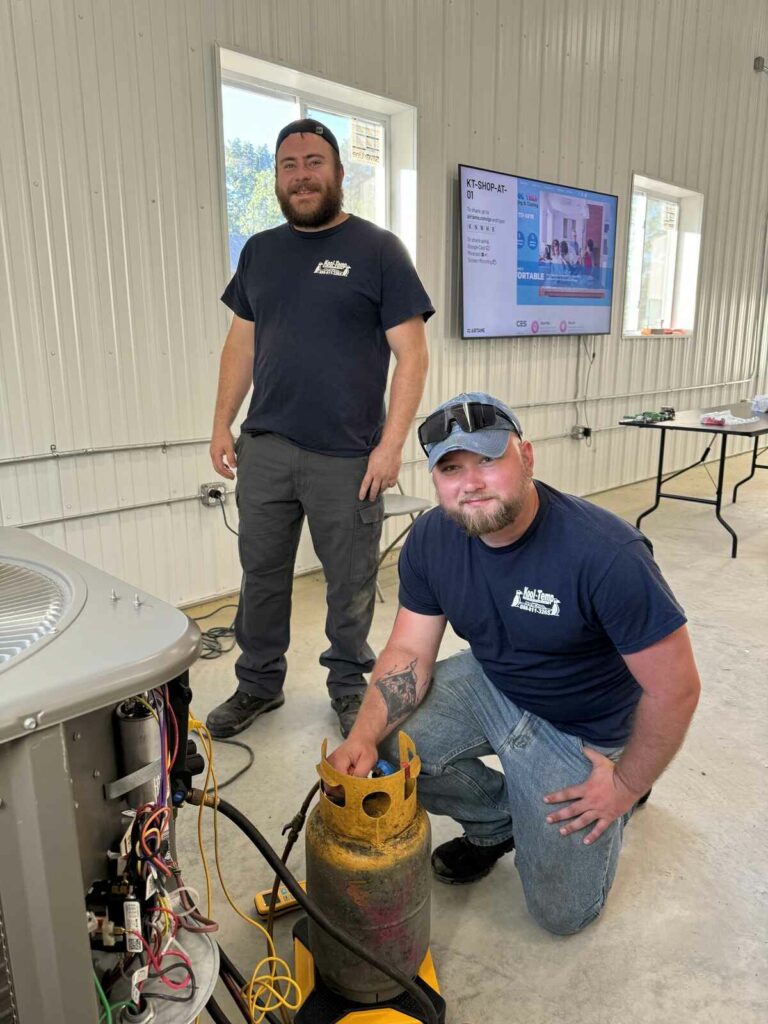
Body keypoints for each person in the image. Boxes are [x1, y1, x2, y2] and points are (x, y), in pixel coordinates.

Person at [329, 392, 700, 935]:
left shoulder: (605, 553)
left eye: (488, 460)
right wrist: (361, 735)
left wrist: (621, 784)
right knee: (388, 746)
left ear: (526, 458)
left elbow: (676, 690)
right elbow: (409, 651)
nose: (471, 482)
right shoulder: (433, 537)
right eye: (452, 468)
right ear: (435, 479)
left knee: (562, 915)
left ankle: (628, 791)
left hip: (584, 730)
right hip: (496, 684)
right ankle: (495, 822)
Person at [207, 118, 434, 740]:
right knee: (261, 574)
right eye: (288, 165)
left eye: (313, 162)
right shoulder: (260, 251)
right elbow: (241, 343)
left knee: (350, 581)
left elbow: (412, 356)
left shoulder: (379, 250)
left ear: (336, 171)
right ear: (277, 178)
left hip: (348, 457)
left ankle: (349, 684)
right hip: (267, 447)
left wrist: (390, 447)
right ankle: (257, 682)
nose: (301, 175)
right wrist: (222, 423)